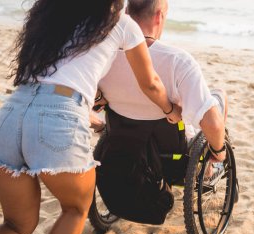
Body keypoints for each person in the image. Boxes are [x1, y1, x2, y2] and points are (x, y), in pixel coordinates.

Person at [0, 0, 181, 234]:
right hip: (57, 118)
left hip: (10, 115)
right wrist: (170, 109)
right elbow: (151, 83)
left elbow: (58, 81)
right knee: (76, 209)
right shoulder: (120, 21)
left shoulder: (55, 17)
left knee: (15, 226)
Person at [95, 0, 228, 162]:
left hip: (123, 151)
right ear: (159, 16)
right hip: (175, 160)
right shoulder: (177, 60)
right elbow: (212, 124)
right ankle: (212, 165)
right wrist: (220, 152)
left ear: (127, 15)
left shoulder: (102, 57)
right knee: (220, 95)